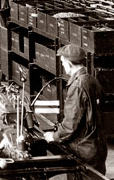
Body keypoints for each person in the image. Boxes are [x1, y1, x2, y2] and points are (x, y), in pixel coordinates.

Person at [44, 44, 107, 175]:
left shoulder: (77, 86)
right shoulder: (92, 80)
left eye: (63, 62)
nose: (62, 65)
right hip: (97, 146)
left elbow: (70, 126)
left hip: (83, 150)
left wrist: (54, 136)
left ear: (69, 63)